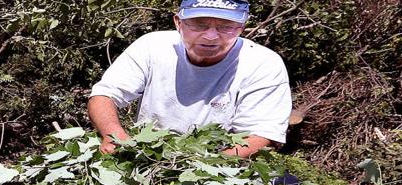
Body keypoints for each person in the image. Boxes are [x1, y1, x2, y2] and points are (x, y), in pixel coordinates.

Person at [87, 0, 292, 160]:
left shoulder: (263, 64)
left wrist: (199, 166)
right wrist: (114, 135)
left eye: (225, 26)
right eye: (199, 24)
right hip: (148, 152)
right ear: (178, 23)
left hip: (225, 165)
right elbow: (104, 95)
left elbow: (259, 134)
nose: (211, 36)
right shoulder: (152, 47)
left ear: (241, 27)